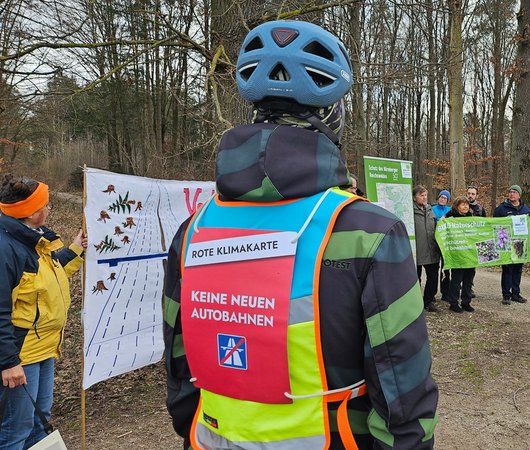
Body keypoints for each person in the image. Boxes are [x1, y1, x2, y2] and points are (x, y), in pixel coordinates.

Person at [162, 21, 438, 450]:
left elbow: (179, 364)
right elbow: (402, 384)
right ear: (333, 116)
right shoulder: (370, 231)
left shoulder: (193, 230)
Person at [0, 174, 86, 450]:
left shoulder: (36, 240)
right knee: (17, 429)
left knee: (40, 423)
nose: (49, 209)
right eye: (46, 205)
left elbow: (51, 276)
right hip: (21, 355)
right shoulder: (6, 248)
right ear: (30, 212)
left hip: (45, 349)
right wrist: (8, 362)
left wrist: (76, 249)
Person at [493, 185, 530, 305]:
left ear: (519, 195)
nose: (511, 194)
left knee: (518, 270)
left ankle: (516, 293)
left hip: (520, 243)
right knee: (507, 270)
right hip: (506, 243)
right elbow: (494, 225)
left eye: (514, 192)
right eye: (510, 192)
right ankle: (506, 294)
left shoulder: (525, 209)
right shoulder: (501, 209)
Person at [443, 197, 476, 313]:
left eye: (467, 204)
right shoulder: (450, 218)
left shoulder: (472, 218)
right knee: (456, 280)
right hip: (457, 255)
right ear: (457, 206)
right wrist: (442, 221)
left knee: (468, 280)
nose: (465, 206)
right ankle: (453, 303)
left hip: (470, 255)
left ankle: (466, 302)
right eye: (463, 204)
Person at [413, 185, 439, 312]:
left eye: (425, 195)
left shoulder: (430, 210)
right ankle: (415, 303)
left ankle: (428, 302)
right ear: (414, 197)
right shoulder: (409, 212)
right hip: (416, 252)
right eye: (421, 195)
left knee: (433, 278)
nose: (424, 198)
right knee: (415, 279)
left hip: (432, 251)